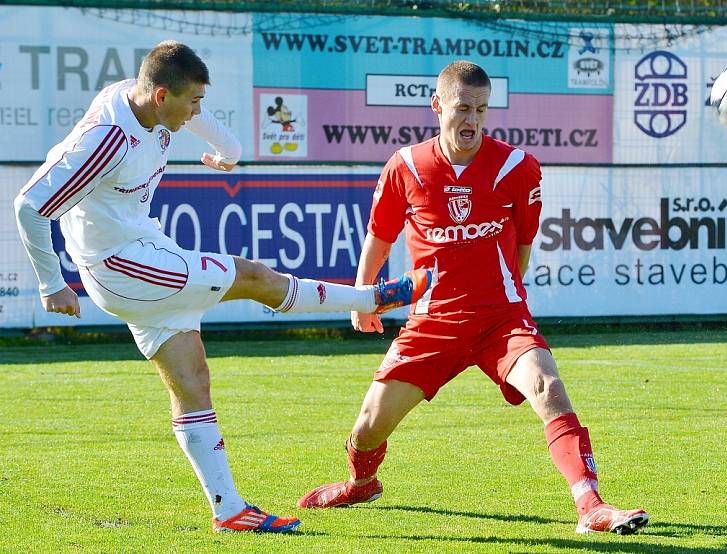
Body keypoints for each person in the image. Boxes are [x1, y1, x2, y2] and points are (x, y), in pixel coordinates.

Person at [13, 41, 431, 534]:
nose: (197, 112)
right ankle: (369, 298)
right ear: (161, 94)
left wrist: (227, 151)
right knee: (253, 277)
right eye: (191, 102)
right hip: (124, 266)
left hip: (140, 254)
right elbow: (28, 205)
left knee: (192, 382)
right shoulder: (106, 139)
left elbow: (212, 130)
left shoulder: (148, 103)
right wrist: (51, 283)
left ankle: (228, 509)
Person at [297, 60, 649, 535]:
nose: (473, 120)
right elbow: (379, 236)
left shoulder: (516, 167)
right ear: (438, 105)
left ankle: (590, 505)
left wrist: (506, 301)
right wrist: (364, 299)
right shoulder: (406, 166)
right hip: (431, 323)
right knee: (367, 428)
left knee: (548, 387)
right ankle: (362, 482)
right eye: (463, 107)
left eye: (482, 109)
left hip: (499, 320)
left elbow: (523, 246)